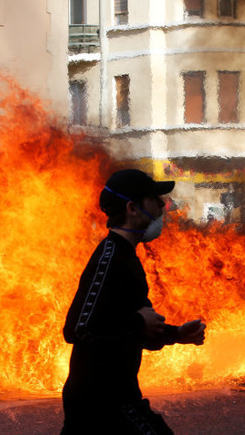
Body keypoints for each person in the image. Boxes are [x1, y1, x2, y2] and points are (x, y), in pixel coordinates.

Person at [61, 169, 207, 434]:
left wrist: (176, 334)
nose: (163, 205)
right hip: (101, 405)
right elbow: (77, 329)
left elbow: (125, 328)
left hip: (112, 400)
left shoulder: (126, 257)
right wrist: (139, 322)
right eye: (154, 199)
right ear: (133, 208)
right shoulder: (110, 258)